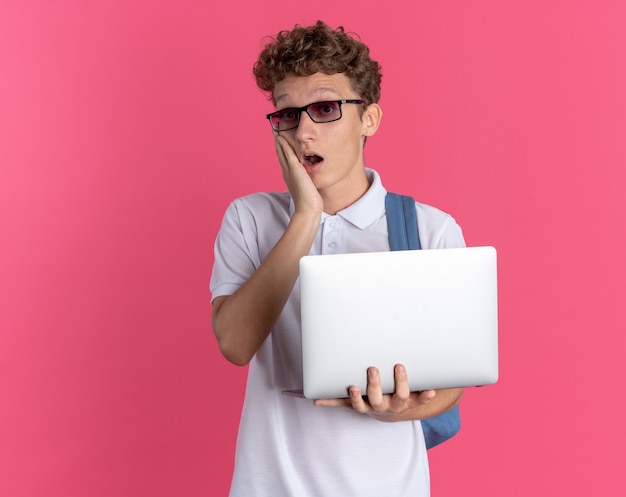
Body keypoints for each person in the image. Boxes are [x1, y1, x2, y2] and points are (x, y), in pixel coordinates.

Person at [210, 20, 465, 497]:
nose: (304, 131)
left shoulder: (431, 230)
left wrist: (398, 408)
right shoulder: (249, 218)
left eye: (325, 108)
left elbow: (451, 386)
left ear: (368, 119)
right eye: (287, 115)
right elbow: (235, 344)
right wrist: (306, 214)